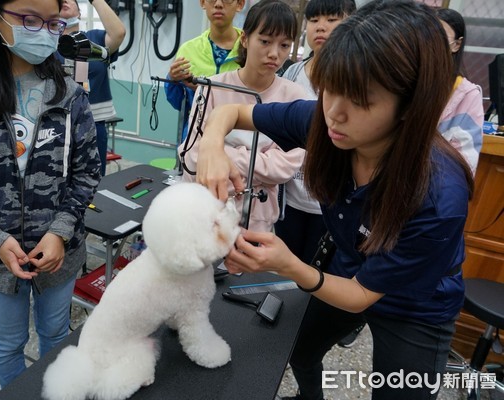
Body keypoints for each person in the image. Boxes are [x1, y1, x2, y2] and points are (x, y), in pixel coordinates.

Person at [194, 1, 474, 399]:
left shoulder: (438, 194)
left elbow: (361, 294)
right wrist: (211, 148)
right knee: (300, 350)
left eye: (360, 100)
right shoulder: (323, 121)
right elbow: (235, 113)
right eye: (330, 90)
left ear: (410, 105)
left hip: (416, 306)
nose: (334, 115)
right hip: (348, 266)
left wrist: (288, 264)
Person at [0, 0, 101, 388]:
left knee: (56, 335)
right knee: (8, 343)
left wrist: (59, 232)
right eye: (29, 20)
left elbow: (88, 171)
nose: (43, 31)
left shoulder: (70, 94)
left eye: (52, 22)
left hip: (60, 249)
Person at [340, 6, 487, 351]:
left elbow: (462, 162)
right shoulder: (350, 119)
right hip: (365, 248)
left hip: (415, 263)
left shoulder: (464, 97)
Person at [180, 0, 306, 233]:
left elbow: (285, 167)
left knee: (246, 268)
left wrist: (220, 155)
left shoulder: (295, 97)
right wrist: (259, 162)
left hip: (257, 217)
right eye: (265, 41)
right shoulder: (212, 88)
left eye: (284, 45)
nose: (274, 54)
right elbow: (191, 155)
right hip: (207, 210)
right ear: (245, 39)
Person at [275, 0, 356, 268]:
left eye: (331, 20)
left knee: (316, 273)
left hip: (330, 202)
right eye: (314, 20)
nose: (321, 27)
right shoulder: (292, 72)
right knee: (283, 270)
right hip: (289, 196)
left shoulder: (356, 77)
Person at [59, 0, 125, 175]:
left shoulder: (94, 39)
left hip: (94, 123)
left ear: (79, 12)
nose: (65, 0)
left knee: (93, 179)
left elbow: (118, 33)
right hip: (57, 124)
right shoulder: (46, 45)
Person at [165, 0, 245, 143]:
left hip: (238, 144)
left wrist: (206, 90)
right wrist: (172, 79)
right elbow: (179, 104)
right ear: (202, 3)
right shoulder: (188, 51)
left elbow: (254, 103)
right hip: (195, 141)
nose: (218, 4)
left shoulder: (249, 50)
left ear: (240, 4)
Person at [436, 7, 484, 175]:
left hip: (432, 184)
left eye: (440, 38)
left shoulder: (467, 95)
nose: (431, 45)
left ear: (456, 44)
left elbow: (464, 162)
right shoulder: (403, 81)